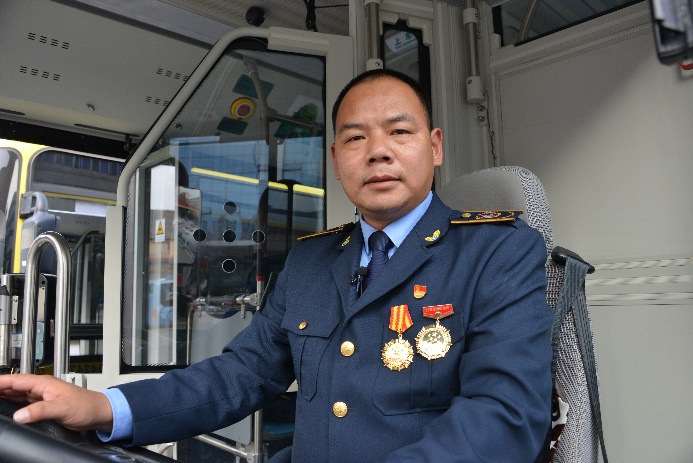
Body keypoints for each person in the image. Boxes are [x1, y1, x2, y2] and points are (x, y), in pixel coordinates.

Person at [0, 69, 553, 462]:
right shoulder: (312, 260)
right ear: (336, 160)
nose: (378, 151)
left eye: (399, 132)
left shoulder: (498, 251)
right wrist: (102, 406)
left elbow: (503, 415)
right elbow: (240, 375)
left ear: (434, 147)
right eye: (355, 138)